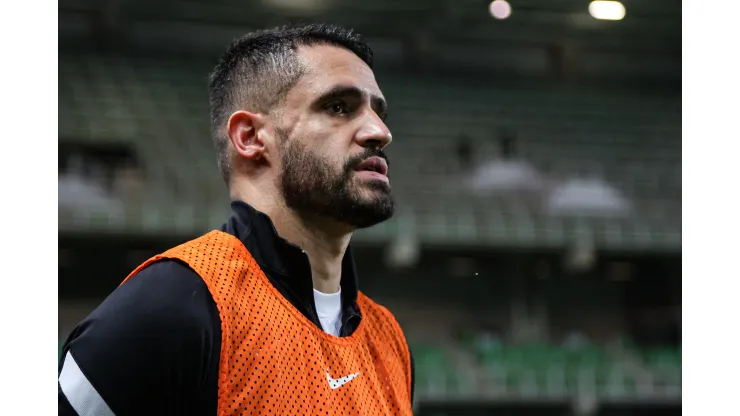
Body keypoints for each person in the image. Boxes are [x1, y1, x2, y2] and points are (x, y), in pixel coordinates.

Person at [58, 23, 415, 416]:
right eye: (337, 107)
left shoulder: (388, 336)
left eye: (378, 112)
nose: (380, 132)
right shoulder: (172, 307)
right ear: (249, 137)